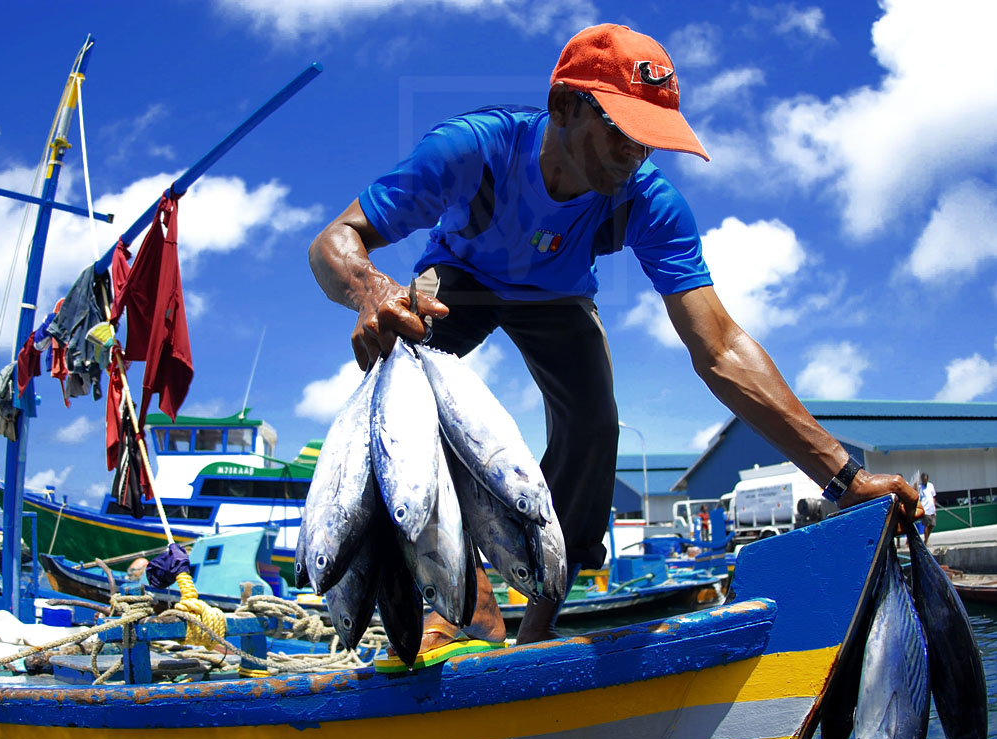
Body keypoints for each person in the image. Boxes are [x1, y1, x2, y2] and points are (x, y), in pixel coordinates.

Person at [308, 23, 921, 648]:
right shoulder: (474, 149)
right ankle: (467, 603)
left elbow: (720, 347)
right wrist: (370, 289)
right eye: (621, 132)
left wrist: (844, 477)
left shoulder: (649, 203)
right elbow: (335, 240)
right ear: (563, 106)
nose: (635, 155)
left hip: (557, 297)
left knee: (595, 425)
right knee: (402, 373)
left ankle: (539, 625)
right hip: (462, 278)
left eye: (649, 140)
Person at [916, 472, 937, 543]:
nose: (924, 481)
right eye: (923, 480)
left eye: (925, 480)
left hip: (932, 508)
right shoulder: (920, 487)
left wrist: (934, 507)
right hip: (925, 509)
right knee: (927, 525)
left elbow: (933, 496)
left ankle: (926, 539)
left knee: (932, 525)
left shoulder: (931, 485)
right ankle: (926, 541)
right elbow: (918, 498)